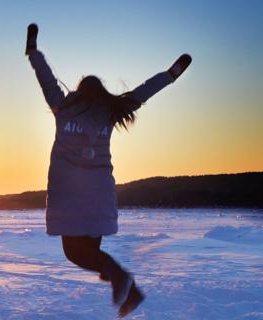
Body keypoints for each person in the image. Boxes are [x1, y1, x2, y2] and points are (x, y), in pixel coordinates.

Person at [24, 23, 191, 317]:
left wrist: (34, 52)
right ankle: (129, 290)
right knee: (91, 253)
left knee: (75, 253)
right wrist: (170, 75)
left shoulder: (63, 107)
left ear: (78, 91)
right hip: (99, 194)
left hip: (70, 196)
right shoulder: (110, 110)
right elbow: (143, 92)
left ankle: (122, 279)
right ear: (100, 93)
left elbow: (46, 80)